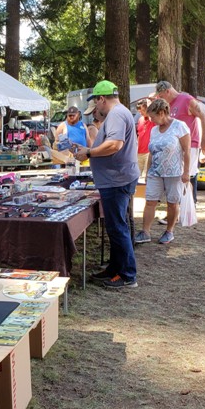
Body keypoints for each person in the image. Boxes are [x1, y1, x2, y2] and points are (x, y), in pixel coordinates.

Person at [73, 80, 139, 289]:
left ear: (101, 99)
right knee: (116, 227)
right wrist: (86, 150)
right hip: (116, 178)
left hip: (116, 180)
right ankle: (115, 269)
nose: (97, 110)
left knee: (118, 228)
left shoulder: (117, 114)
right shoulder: (120, 113)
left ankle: (128, 275)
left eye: (96, 103)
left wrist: (89, 152)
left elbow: (114, 145)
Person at [135, 98, 190, 245]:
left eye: (152, 117)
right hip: (155, 171)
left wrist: (186, 172)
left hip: (174, 172)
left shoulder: (180, 126)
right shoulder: (154, 130)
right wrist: (147, 171)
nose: (151, 120)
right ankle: (145, 231)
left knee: (172, 202)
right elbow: (151, 151)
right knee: (150, 200)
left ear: (161, 113)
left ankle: (169, 231)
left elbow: (187, 151)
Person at [153, 80, 205, 202]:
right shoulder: (168, 104)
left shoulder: (187, 99)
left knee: (188, 174)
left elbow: (203, 116)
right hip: (175, 146)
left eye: (161, 96)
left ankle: (189, 205)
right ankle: (177, 207)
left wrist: (204, 139)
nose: (161, 98)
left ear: (168, 91)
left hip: (190, 144)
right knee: (176, 175)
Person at [135, 98, 155, 180]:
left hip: (148, 152)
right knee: (137, 175)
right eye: (139, 111)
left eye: (143, 110)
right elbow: (139, 134)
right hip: (139, 152)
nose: (141, 112)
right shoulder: (140, 119)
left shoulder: (152, 119)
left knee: (145, 176)